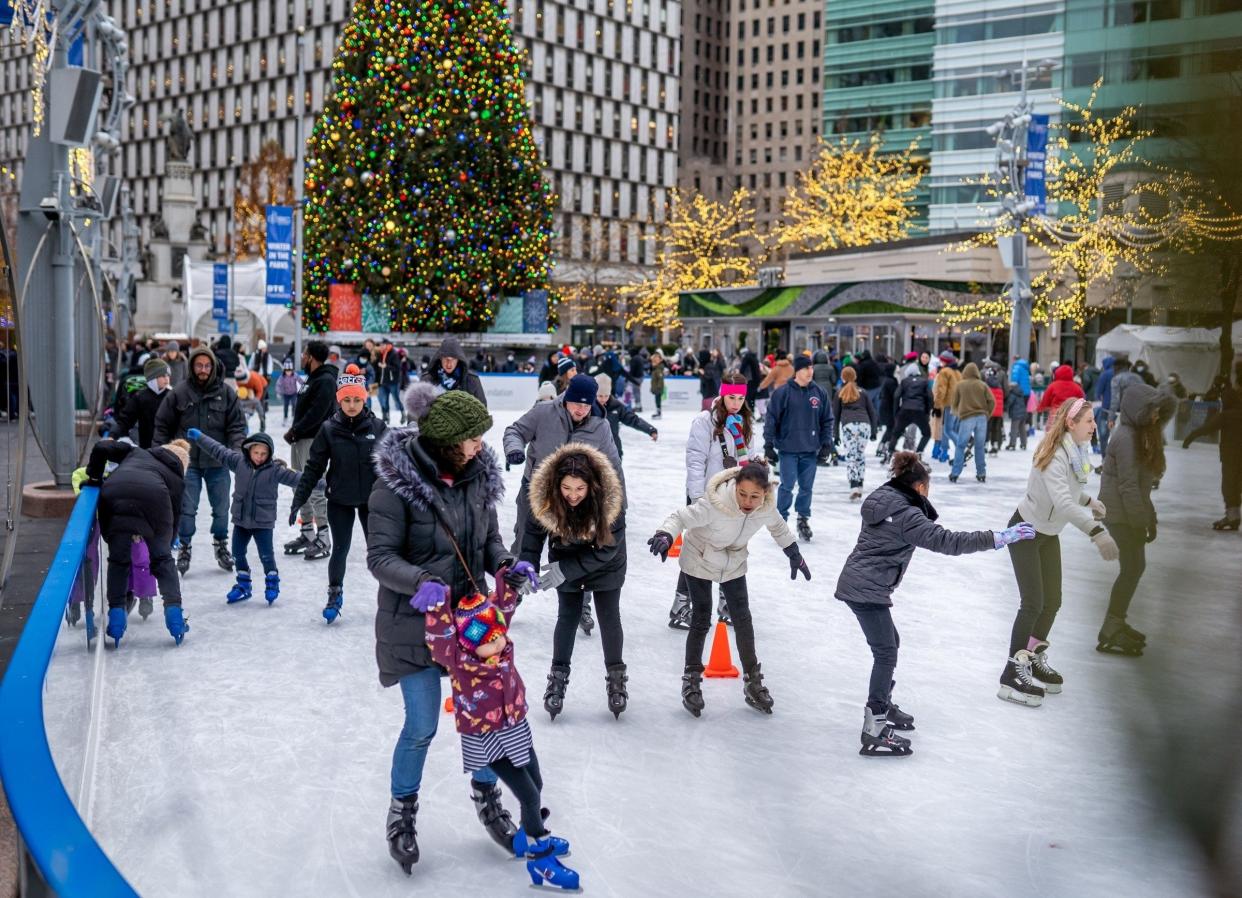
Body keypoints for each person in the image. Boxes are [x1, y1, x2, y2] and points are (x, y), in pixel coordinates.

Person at [367, 383, 526, 874]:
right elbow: (379, 556)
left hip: (470, 628)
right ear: (446, 441)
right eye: (473, 438)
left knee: (481, 721)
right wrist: (420, 581)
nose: (481, 446)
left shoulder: (478, 477)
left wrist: (507, 566)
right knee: (421, 726)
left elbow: (490, 542)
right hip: (413, 623)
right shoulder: (394, 485)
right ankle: (402, 812)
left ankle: (487, 797)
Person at [835, 452, 1034, 756]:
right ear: (921, 487)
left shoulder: (883, 497)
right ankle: (873, 725)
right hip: (867, 589)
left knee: (890, 643)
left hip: (858, 582)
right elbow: (949, 541)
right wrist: (998, 537)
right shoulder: (907, 515)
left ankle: (883, 704)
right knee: (886, 652)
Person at [649, 463, 809, 717]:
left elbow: (778, 527)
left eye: (754, 496)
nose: (747, 501)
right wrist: (666, 535)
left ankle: (752, 681)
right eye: (742, 493)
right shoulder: (716, 503)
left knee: (742, 618)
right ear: (735, 487)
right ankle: (691, 681)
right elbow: (680, 517)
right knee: (701, 618)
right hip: (699, 557)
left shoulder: (765, 507)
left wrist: (793, 552)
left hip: (733, 561)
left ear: (765, 494)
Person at [998, 399, 1119, 708]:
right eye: (1089, 421)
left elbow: (1069, 491)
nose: (1094, 426)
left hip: (1048, 533)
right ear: (1071, 424)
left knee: (1052, 601)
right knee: (1033, 603)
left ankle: (1033, 655)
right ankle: (1012, 672)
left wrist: (1089, 500)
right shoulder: (1055, 455)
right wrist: (1097, 531)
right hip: (1026, 530)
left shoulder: (1075, 452)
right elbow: (1063, 503)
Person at [520, 444, 628, 721]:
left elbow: (608, 549)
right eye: (567, 488)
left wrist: (566, 570)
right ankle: (557, 680)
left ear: (591, 485)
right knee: (567, 616)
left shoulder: (610, 501)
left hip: (605, 562)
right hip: (566, 553)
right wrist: (526, 566)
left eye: (580, 489)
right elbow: (532, 535)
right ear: (557, 485)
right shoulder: (545, 497)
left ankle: (616, 679)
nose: (572, 495)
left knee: (608, 616)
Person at [289, 364, 387, 623]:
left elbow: (394, 465)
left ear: (364, 399)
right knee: (340, 549)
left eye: (357, 399)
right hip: (340, 500)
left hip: (371, 502)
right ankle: (334, 593)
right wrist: (299, 499)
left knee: (378, 551)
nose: (352, 405)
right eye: (347, 400)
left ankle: (390, 598)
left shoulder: (377, 427)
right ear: (339, 400)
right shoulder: (329, 429)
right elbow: (313, 468)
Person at [667, 373, 756, 629]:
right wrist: (697, 498)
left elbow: (750, 456)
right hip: (705, 496)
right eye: (731, 397)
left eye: (740, 397)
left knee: (732, 546)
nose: (736, 403)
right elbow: (695, 460)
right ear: (722, 394)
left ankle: (725, 602)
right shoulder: (705, 421)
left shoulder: (746, 422)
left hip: (734, 497)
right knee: (698, 550)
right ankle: (681, 605)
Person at [84, 438, 191, 647]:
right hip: (155, 500)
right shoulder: (176, 478)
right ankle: (175, 619)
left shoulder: (135, 452)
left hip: (114, 494)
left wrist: (95, 478)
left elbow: (101, 447)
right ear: (180, 463)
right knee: (163, 561)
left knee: (118, 561)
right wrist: (165, 543)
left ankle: (116, 620)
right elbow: (177, 515)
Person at [502, 373, 622, 554]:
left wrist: (620, 509)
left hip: (573, 498)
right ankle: (519, 580)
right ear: (567, 398)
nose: (581, 410)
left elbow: (614, 467)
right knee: (524, 545)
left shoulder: (600, 426)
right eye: (577, 404)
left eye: (586, 405)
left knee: (566, 552)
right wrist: (514, 449)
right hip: (535, 490)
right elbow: (515, 431)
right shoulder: (543, 412)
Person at [1096, 383, 1174, 656]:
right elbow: (1128, 486)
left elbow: (1143, 487)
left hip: (1126, 511)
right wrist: (1139, 523)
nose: (1156, 415)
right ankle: (1111, 627)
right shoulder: (1126, 438)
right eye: (1151, 409)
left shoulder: (1139, 435)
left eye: (1158, 410)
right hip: (1119, 513)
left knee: (1133, 567)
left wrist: (1149, 518)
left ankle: (1115, 622)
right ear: (1138, 411)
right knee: (1132, 568)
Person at [153, 345, 246, 575]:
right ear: (192, 367)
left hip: (218, 462)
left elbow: (236, 426)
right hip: (189, 464)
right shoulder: (179, 393)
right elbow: (162, 425)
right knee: (187, 508)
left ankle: (221, 544)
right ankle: (185, 546)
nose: (203, 369)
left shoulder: (226, 393)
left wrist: (235, 451)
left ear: (213, 367)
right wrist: (160, 455)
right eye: (199, 365)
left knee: (222, 508)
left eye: (207, 366)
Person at [189, 429, 308, 607]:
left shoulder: (276, 470)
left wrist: (329, 484)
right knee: (237, 553)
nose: (259, 457)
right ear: (249, 451)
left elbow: (302, 479)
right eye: (256, 453)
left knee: (266, 556)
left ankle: (272, 581)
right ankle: (244, 584)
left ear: (269, 454)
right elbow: (218, 450)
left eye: (263, 453)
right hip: (241, 521)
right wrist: (200, 438)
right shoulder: (238, 462)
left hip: (263, 523)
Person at [764, 355, 833, 541]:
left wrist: (827, 444)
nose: (810, 371)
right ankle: (781, 521)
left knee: (806, 488)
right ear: (798, 371)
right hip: (788, 450)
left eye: (811, 368)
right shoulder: (783, 392)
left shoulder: (819, 393)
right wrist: (768, 444)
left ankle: (803, 519)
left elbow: (827, 420)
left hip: (810, 450)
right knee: (786, 486)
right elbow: (771, 419)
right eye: (806, 368)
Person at [284, 340, 338, 560]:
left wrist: (296, 430)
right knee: (299, 484)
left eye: (305, 354)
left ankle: (323, 536)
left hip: (313, 440)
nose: (302, 357)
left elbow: (317, 413)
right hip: (301, 439)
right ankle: (307, 532)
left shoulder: (325, 380)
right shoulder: (312, 378)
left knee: (315, 487)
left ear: (312, 357)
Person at [1183, 381, 1242, 531]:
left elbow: (1206, 428)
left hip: (1231, 457)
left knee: (1229, 487)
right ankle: (1233, 516)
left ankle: (1233, 516)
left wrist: (1190, 437)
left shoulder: (1226, 416)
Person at [833, 366, 877, 501]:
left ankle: (854, 485)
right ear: (855, 377)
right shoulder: (863, 392)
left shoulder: (839, 393)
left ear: (842, 377)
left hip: (849, 426)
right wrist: (874, 430)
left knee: (851, 455)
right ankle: (860, 484)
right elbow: (872, 412)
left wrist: (836, 435)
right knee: (860, 455)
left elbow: (836, 415)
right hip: (864, 425)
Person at [107, 357, 171, 447]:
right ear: (153, 377)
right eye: (163, 376)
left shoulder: (172, 396)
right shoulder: (141, 397)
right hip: (147, 448)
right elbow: (125, 420)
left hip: (169, 449)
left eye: (168, 375)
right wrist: (112, 435)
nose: (167, 379)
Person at [949, 363, 996, 484]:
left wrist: (958, 413)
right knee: (980, 446)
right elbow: (992, 401)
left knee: (960, 446)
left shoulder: (960, 385)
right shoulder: (982, 385)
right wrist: (987, 414)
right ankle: (981, 473)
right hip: (981, 418)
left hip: (967, 417)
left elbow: (954, 403)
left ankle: (955, 473)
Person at [594, 374, 658, 458]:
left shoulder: (616, 406)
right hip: (593, 452)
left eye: (606, 395)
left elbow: (633, 419)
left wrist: (650, 430)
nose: (603, 399)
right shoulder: (587, 407)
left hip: (613, 452)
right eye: (600, 396)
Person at [421, 336, 487, 406]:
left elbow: (482, 410)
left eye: (453, 359)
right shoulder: (427, 380)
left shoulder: (472, 380)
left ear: (458, 359)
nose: (449, 364)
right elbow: (414, 411)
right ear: (440, 358)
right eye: (445, 359)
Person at [885, 362, 932, 457]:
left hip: (905, 410)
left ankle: (890, 451)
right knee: (926, 434)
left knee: (896, 432)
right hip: (920, 411)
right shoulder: (924, 382)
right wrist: (927, 411)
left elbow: (896, 396)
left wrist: (896, 411)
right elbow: (930, 397)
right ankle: (918, 452)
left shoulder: (904, 381)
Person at [930, 353, 960, 464]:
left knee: (947, 429)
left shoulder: (944, 372)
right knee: (950, 429)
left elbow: (940, 390)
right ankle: (945, 452)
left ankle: (961, 449)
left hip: (948, 404)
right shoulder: (957, 372)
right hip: (958, 404)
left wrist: (937, 406)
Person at [374, 337, 405, 423]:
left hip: (393, 382)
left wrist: (386, 366)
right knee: (384, 400)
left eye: (383, 345)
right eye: (381, 345)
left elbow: (397, 368)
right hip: (383, 381)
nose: (381, 346)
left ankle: (403, 414)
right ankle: (386, 417)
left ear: (387, 345)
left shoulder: (393, 354)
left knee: (396, 399)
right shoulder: (381, 354)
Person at [1093, 356, 1116, 455]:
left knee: (1103, 435)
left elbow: (1098, 392)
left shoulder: (1105, 374)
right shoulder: (1120, 373)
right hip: (1121, 410)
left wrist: (1098, 397)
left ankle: (1105, 458)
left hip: (1106, 409)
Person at [235, 365, 268, 432]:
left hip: (262, 386)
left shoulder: (254, 378)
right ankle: (246, 416)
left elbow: (259, 391)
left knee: (259, 405)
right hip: (245, 391)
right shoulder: (238, 379)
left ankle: (262, 420)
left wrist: (255, 401)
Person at [984, 365, 1005, 455]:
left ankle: (985, 446)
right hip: (999, 412)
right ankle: (995, 446)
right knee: (996, 429)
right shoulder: (999, 386)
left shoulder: (987, 386)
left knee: (987, 429)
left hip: (990, 411)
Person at [276, 359, 300, 423]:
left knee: (294, 404)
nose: (288, 372)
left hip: (293, 393)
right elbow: (278, 384)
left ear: (292, 370)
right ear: (284, 371)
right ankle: (285, 417)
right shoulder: (282, 377)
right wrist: (278, 393)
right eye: (287, 371)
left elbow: (301, 381)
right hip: (286, 394)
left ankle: (293, 416)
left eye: (290, 371)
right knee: (286, 405)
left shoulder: (295, 375)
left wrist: (305, 386)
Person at [649, 350, 666, 419]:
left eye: (655, 361)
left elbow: (660, 379)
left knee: (658, 400)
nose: (652, 362)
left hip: (658, 388)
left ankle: (659, 413)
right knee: (657, 400)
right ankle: (658, 412)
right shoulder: (655, 368)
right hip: (656, 387)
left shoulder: (658, 369)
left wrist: (658, 387)